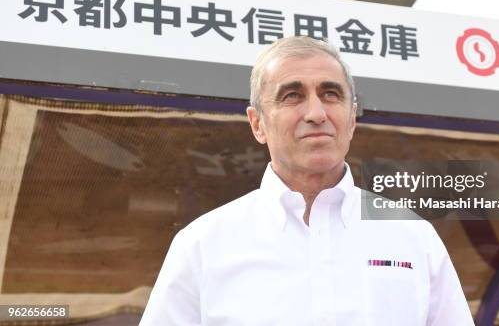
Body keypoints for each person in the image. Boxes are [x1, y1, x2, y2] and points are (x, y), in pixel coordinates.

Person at [140, 36, 474, 326]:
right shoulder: (202, 245)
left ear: (352, 118)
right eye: (292, 96)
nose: (316, 113)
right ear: (257, 124)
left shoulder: (413, 238)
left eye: (331, 94)